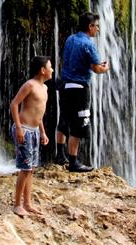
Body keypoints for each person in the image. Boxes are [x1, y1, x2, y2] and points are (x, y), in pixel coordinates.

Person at [53, 12, 109, 172]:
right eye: (96, 26)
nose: (98, 30)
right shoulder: (88, 44)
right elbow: (96, 68)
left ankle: (60, 155)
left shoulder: (71, 39)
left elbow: (75, 60)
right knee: (78, 126)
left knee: (64, 119)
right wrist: (104, 68)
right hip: (79, 88)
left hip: (64, 85)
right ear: (90, 26)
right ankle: (73, 162)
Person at [9, 55, 52, 217]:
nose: (52, 69)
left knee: (31, 169)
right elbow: (14, 104)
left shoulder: (45, 88)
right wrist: (19, 128)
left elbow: (38, 113)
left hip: (34, 131)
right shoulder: (30, 85)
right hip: (24, 130)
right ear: (42, 70)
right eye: (50, 66)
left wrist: (42, 131)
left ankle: (27, 203)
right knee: (25, 169)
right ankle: (17, 204)